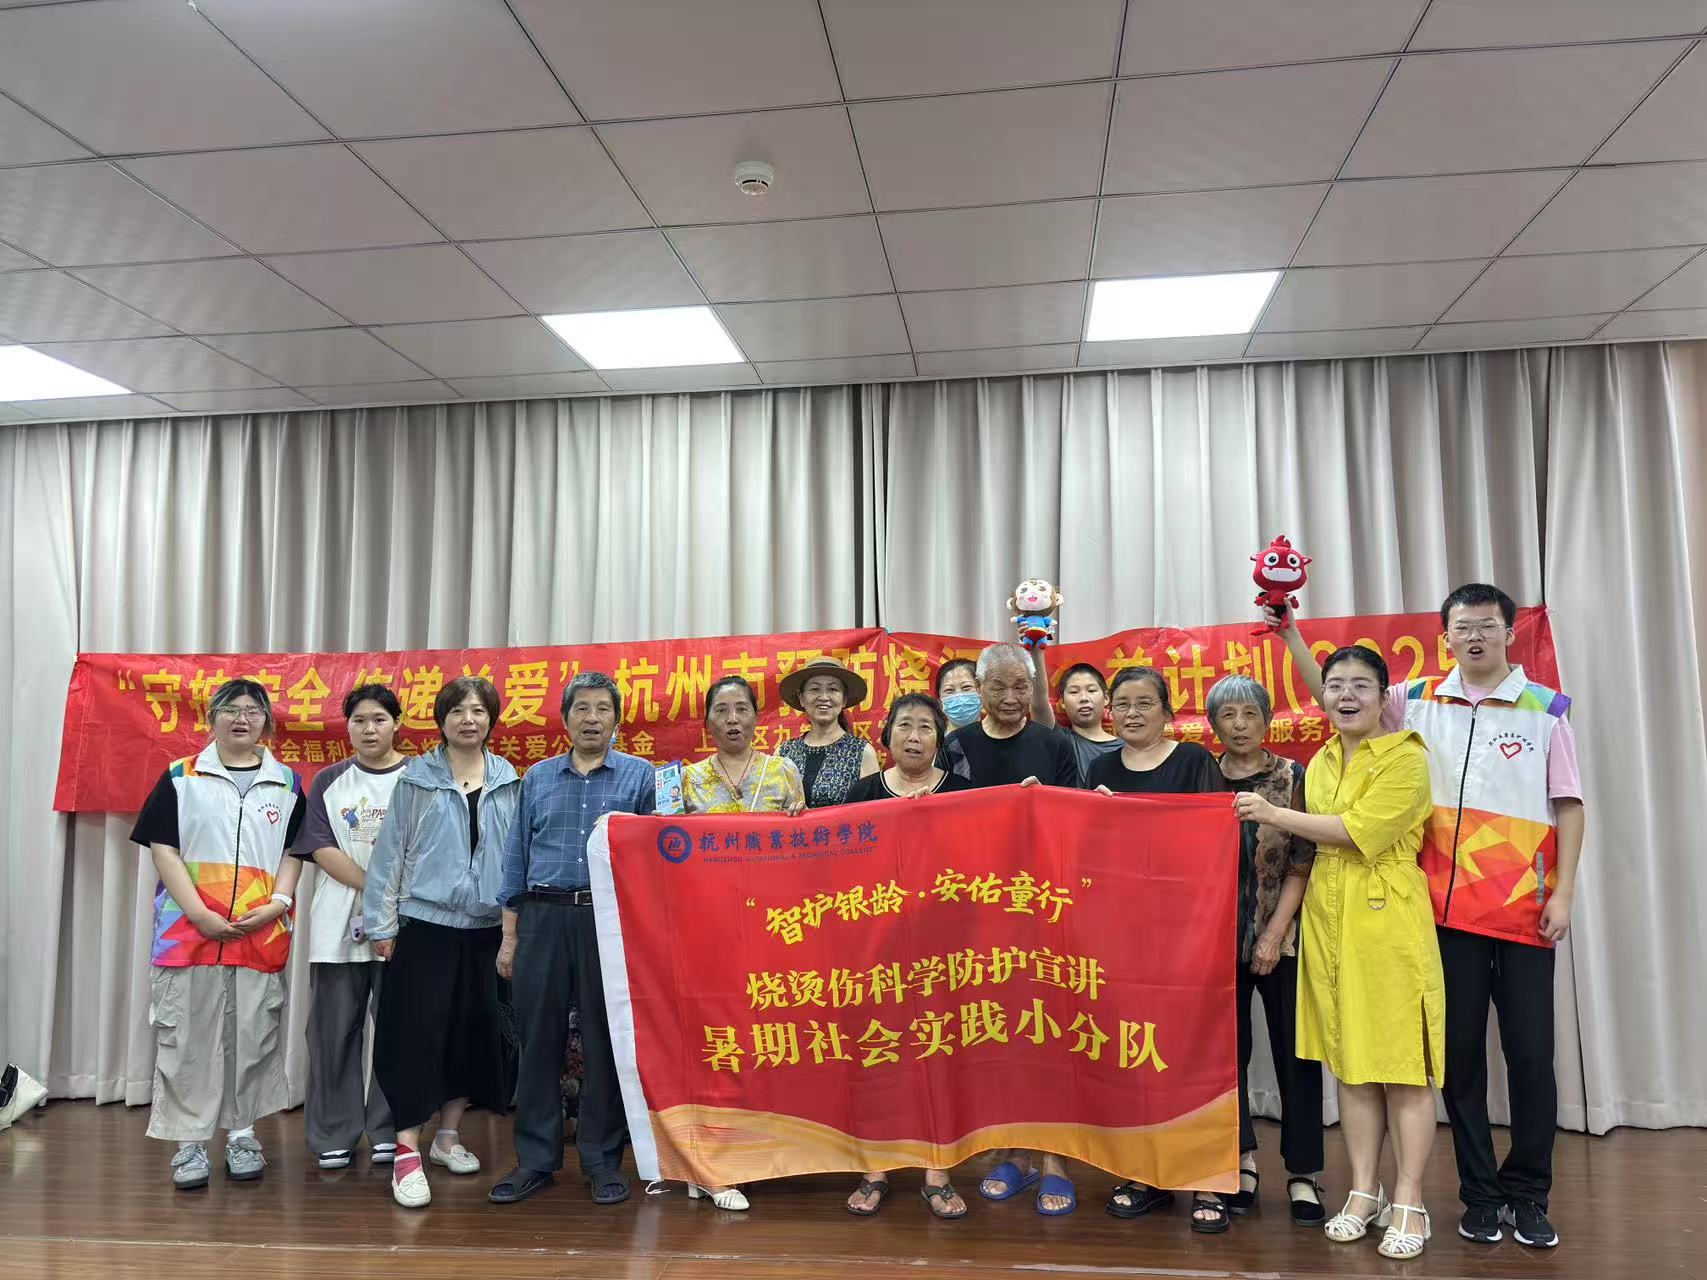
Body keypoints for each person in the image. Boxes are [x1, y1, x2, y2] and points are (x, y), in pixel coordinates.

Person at [1275, 585, 1584, 1249]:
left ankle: (1528, 1194)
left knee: (1531, 1055)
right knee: (1458, 1061)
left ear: (1508, 633)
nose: (1474, 637)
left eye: (1487, 626)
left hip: (1521, 907)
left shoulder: (1546, 709)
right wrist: (1291, 634)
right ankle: (1480, 1197)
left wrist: (1562, 893)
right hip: (1439, 910)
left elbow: (1568, 803)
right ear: (1445, 637)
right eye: (1462, 627)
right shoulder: (1413, 699)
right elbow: (1337, 694)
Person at [1233, 645, 1442, 1260]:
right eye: (1335, 686)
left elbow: (1355, 831)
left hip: (1386, 916)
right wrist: (1291, 633)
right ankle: (1363, 1191)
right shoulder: (1323, 758)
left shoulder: (1405, 758)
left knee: (1401, 1065)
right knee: (1350, 1063)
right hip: (1328, 918)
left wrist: (1274, 813)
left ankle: (1410, 1199)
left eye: (1361, 686)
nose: (1347, 696)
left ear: (1383, 696)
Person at [129, 678, 306, 1188]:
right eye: (230, 709)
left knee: (251, 1035)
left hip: (259, 932)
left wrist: (278, 904)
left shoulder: (288, 783)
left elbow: (294, 852)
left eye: (252, 710)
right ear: (212, 718)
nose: (241, 718)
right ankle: (189, 1145)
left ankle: (242, 1136)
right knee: (187, 1037)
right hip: (189, 934)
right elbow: (163, 850)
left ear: (266, 721)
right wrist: (199, 914)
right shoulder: (180, 777)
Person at [488, 673, 656, 1209]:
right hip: (541, 917)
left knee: (605, 1040)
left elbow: (655, 858)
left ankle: (603, 1161)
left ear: (617, 719)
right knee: (538, 1039)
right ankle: (535, 1160)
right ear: (564, 719)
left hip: (608, 920)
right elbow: (516, 856)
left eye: (602, 708)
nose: (591, 718)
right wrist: (509, 937)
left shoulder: (640, 776)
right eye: (581, 708)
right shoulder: (537, 777)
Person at [364, 675, 521, 1209]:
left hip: (484, 931)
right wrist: (382, 926)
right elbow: (389, 856)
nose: (467, 720)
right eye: (457, 710)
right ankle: (407, 1148)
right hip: (424, 927)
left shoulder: (510, 780)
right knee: (415, 1036)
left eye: (478, 711)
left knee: (470, 1036)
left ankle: (448, 1137)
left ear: (491, 720)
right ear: (441, 719)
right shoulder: (416, 780)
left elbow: (516, 861)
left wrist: (512, 930)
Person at [1087, 667, 1227, 1232]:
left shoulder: (1194, 761)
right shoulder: (1100, 769)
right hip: (1125, 936)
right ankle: (1144, 1174)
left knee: (1196, 1055)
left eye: (1145, 703)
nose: (1132, 713)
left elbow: (1216, 840)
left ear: (1167, 711)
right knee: (1136, 1053)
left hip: (1190, 931)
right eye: (1122, 703)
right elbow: (1090, 853)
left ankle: (1207, 1180)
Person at [947, 643, 1077, 1215]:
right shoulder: (957, 745)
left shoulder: (1055, 744)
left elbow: (1077, 823)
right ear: (977, 689)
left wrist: (1042, 808)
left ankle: (1055, 1161)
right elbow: (942, 823)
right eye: (996, 687)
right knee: (998, 1033)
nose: (1008, 697)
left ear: (1034, 688)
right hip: (978, 912)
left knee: (1050, 1032)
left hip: (1043, 910)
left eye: (1019, 686)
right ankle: (1015, 1154)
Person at [841, 694, 974, 1220]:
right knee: (879, 1051)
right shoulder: (862, 794)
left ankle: (937, 1173)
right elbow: (835, 868)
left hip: (943, 950)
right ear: (886, 736)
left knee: (938, 1054)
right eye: (904, 726)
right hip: (876, 949)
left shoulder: (962, 793)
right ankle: (875, 1169)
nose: (914, 736)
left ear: (939, 739)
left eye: (925, 727)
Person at [678, 675, 805, 1210]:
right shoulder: (684, 780)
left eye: (742, 709)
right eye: (722, 711)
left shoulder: (784, 771)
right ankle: (704, 1162)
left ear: (757, 716)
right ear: (707, 721)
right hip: (705, 931)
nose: (732, 720)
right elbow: (665, 854)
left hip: (769, 931)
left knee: (762, 1042)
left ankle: (752, 1154)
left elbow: (803, 855)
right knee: (711, 1042)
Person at [1206, 675, 1324, 1227]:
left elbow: (1303, 860)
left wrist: (1274, 933)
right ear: (1213, 724)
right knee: (1225, 1057)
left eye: (1249, 713)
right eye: (1227, 715)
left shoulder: (1292, 776)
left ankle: (1303, 1173)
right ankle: (1241, 1160)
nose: (1239, 725)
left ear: (1267, 719)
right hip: (1215, 942)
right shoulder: (1203, 776)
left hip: (1285, 938)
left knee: (1295, 1056)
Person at [290, 683, 405, 1172]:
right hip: (338, 924)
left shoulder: (420, 777)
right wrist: (376, 889)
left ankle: (391, 1129)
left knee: (399, 1030)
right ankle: (334, 1132)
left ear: (396, 723)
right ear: (348, 727)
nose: (369, 729)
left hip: (403, 923)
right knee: (333, 1032)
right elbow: (321, 847)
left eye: (379, 719)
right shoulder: (328, 781)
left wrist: (388, 900)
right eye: (359, 720)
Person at [778, 655, 879, 808]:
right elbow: (772, 807)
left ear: (844, 699)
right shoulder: (784, 753)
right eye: (814, 689)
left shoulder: (862, 752)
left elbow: (873, 812)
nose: (824, 697)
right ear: (801, 698)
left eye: (833, 689)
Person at [1030, 656, 1121, 785]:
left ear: (1106, 698)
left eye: (1091, 690)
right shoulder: (1061, 740)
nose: (1083, 698)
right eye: (1074, 692)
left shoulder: (1128, 748)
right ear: (1062, 702)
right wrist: (1036, 651)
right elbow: (1039, 707)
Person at [935, 658, 981, 729]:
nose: (959, 696)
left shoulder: (998, 735)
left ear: (982, 692)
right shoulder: (933, 736)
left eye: (966, 687)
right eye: (949, 690)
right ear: (940, 702)